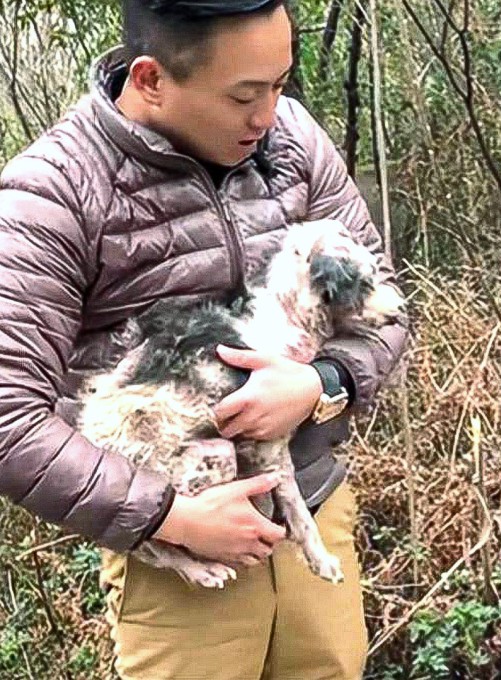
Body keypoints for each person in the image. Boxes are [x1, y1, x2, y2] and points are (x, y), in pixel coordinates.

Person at [0, 1, 408, 678]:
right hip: (180, 557)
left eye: (282, 83)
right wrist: (171, 519)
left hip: (309, 501)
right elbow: (7, 415)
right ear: (152, 78)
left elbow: (386, 306)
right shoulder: (51, 195)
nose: (270, 115)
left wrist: (322, 384)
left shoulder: (294, 143)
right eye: (245, 95)